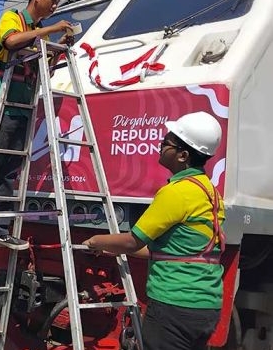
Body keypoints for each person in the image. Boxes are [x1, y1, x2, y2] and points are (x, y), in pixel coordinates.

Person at [82, 111, 225, 350]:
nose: (161, 145)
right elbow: (173, 251)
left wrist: (95, 241)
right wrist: (113, 250)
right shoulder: (210, 192)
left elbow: (132, 241)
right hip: (205, 306)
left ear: (183, 155)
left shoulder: (177, 192)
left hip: (174, 305)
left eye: (166, 142)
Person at [0, 0, 73, 250]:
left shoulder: (39, 30)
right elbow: (11, 42)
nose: (55, 5)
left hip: (22, 103)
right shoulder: (13, 18)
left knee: (10, 167)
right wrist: (49, 31)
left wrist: (58, 50)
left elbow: (43, 71)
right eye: (53, 0)